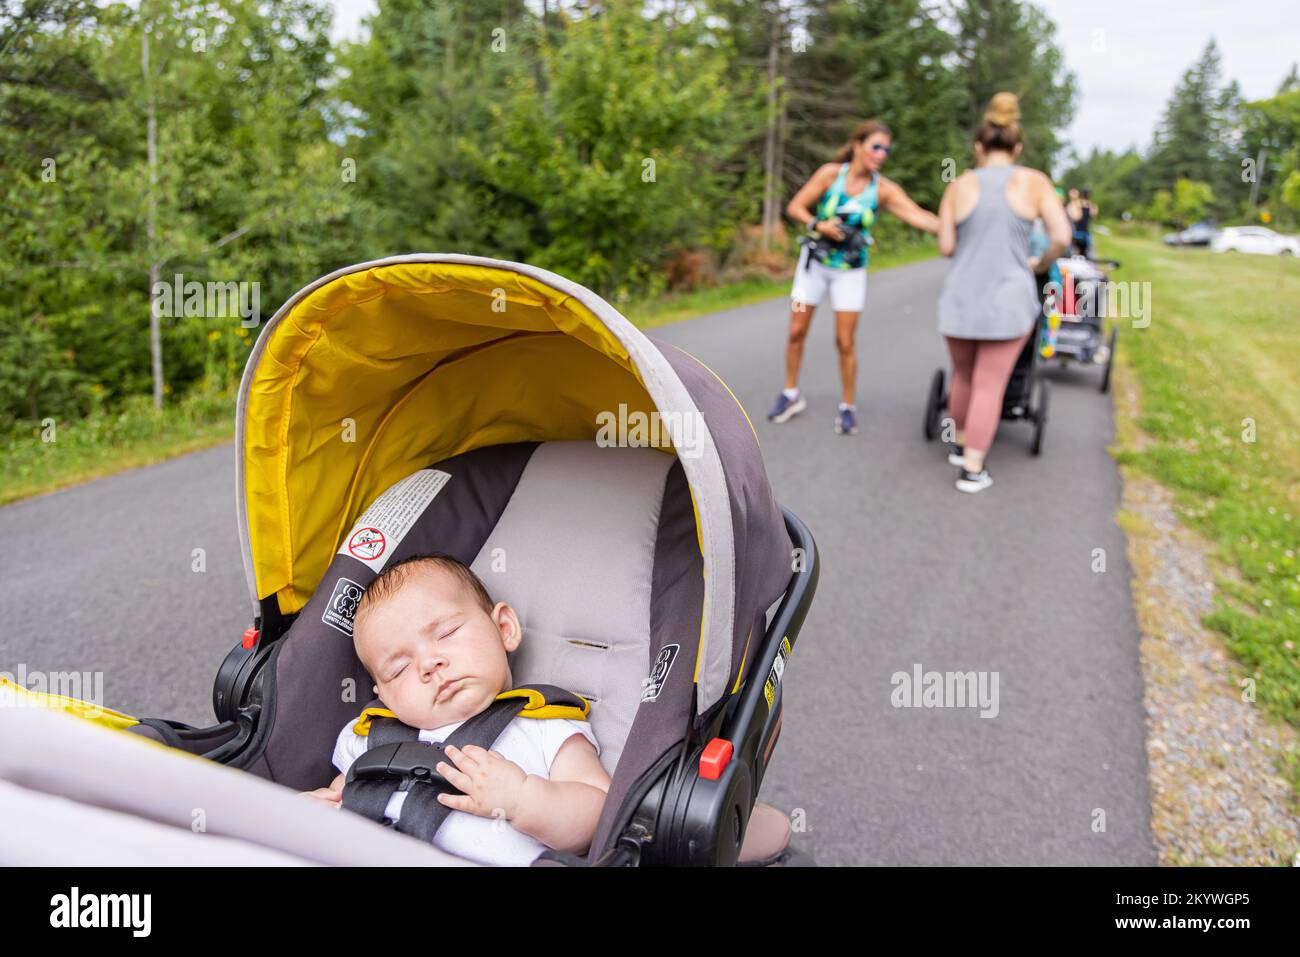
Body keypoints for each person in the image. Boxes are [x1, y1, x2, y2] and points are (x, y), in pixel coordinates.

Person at [300, 554, 610, 865]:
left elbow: (600, 815)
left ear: (504, 628)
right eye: (399, 669)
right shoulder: (367, 739)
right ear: (384, 695)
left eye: (446, 634)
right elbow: (339, 799)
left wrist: (521, 800)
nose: (428, 664)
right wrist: (308, 813)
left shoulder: (544, 725)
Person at [935, 93, 1071, 493]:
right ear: (1017, 147)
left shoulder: (957, 186)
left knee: (962, 375)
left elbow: (946, 247)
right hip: (1008, 298)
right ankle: (973, 468)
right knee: (990, 385)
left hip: (960, 297)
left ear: (978, 146)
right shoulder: (1034, 182)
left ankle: (960, 446)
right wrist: (1040, 262)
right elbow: (1061, 236)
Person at [767, 120, 939, 435]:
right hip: (814, 266)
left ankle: (848, 406)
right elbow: (796, 207)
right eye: (876, 146)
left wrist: (953, 227)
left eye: (886, 149)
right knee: (796, 331)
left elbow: (918, 216)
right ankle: (790, 393)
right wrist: (819, 225)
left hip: (851, 273)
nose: (881, 154)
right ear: (857, 145)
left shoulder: (883, 189)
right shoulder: (830, 175)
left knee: (844, 341)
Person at [1066, 187, 1098, 257]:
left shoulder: (1090, 205)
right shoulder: (1076, 204)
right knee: (1075, 253)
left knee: (1087, 253)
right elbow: (1077, 217)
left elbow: (1093, 214)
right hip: (1077, 232)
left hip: (1085, 233)